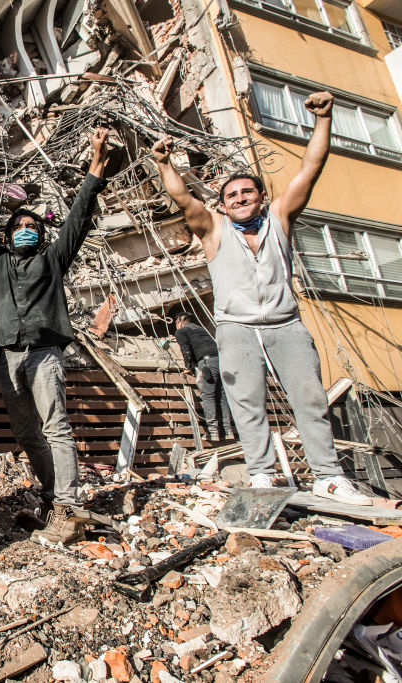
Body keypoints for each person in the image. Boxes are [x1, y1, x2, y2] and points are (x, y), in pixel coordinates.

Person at [152, 90, 370, 506]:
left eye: (247, 193)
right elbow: (182, 198)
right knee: (246, 401)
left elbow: (311, 167)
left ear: (261, 196)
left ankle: (328, 476)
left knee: (310, 397)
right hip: (236, 328)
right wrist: (164, 163)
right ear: (223, 204)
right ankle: (262, 475)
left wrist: (323, 120)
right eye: (231, 196)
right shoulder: (213, 229)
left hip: (286, 324)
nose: (240, 199)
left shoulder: (281, 219)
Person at [0, 128, 111, 546]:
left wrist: (96, 159)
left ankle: (68, 505)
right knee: (28, 433)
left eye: (32, 224)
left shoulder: (53, 258)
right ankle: (50, 500)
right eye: (19, 225)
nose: (26, 228)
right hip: (8, 356)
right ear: (9, 234)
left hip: (44, 352)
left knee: (56, 427)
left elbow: (80, 214)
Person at [174, 312, 233, 442]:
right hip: (221, 361)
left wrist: (188, 367)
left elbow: (186, 350)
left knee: (208, 395)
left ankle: (212, 433)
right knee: (222, 395)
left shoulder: (181, 331)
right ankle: (228, 431)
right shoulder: (201, 329)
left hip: (206, 363)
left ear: (179, 323)